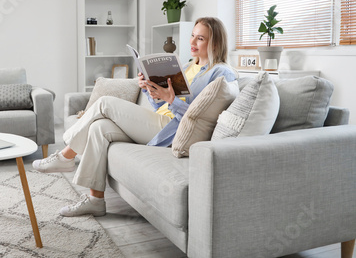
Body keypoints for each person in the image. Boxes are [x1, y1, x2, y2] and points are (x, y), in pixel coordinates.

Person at [32, 17, 237, 217]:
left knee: (105, 103)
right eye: (192, 36)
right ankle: (95, 201)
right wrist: (148, 88)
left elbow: (197, 116)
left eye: (200, 38)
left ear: (215, 43)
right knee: (99, 128)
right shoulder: (186, 66)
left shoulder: (220, 73)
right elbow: (160, 104)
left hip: (173, 128)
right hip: (160, 119)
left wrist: (171, 100)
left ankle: (66, 156)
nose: (192, 42)